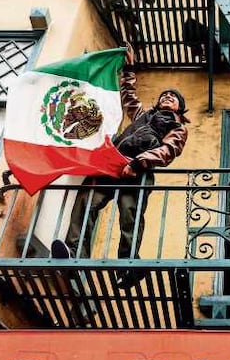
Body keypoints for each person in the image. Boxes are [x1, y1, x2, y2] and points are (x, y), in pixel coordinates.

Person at [51, 44, 189, 281]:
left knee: (130, 216)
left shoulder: (177, 127)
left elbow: (168, 150)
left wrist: (137, 163)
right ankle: (74, 256)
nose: (168, 97)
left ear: (179, 108)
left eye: (173, 98)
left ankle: (127, 266)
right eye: (165, 95)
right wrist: (129, 67)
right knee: (86, 204)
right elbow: (129, 95)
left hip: (138, 172)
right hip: (111, 165)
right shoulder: (142, 115)